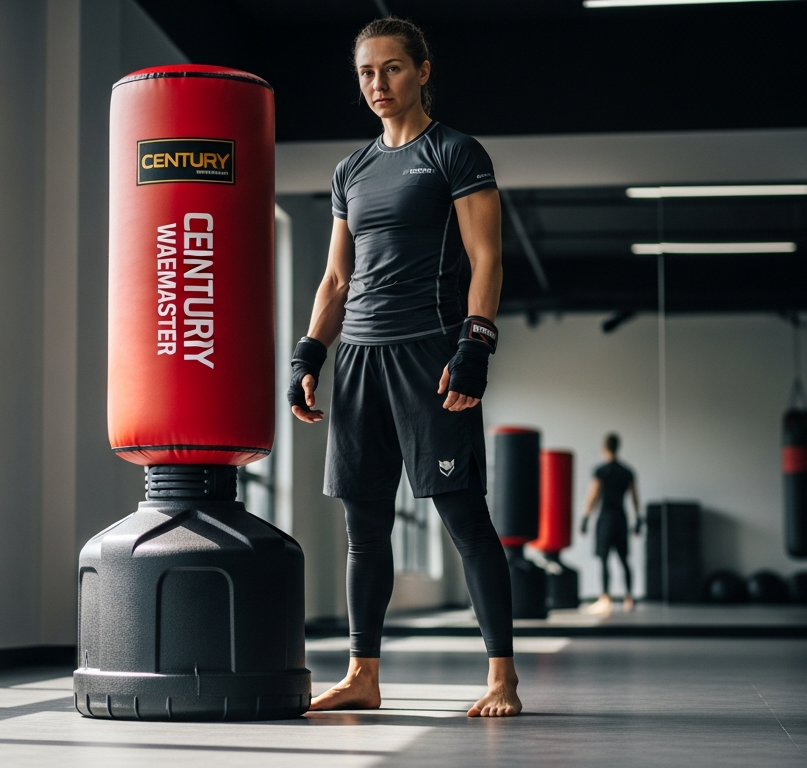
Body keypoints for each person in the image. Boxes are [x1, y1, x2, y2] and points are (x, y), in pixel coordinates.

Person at [287, 17, 520, 718]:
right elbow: (335, 279)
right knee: (364, 526)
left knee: (464, 519)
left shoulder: (454, 153)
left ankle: (502, 676)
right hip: (359, 356)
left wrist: (475, 345)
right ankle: (363, 672)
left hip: (430, 352)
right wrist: (310, 354)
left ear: (421, 70)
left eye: (391, 69)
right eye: (365, 72)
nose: (377, 84)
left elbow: (488, 258)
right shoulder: (349, 170)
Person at [580, 433, 641, 615]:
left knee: (604, 559)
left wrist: (585, 518)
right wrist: (638, 519)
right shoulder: (627, 471)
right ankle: (629, 598)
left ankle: (605, 598)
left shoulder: (601, 471)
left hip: (606, 518)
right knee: (624, 559)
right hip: (621, 518)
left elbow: (593, 496)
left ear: (604, 448)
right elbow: (634, 498)